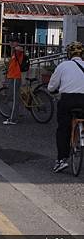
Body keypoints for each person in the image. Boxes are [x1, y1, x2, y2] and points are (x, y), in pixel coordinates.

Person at [48, 41, 84, 173]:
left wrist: (54, 92)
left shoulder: (63, 66)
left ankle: (61, 160)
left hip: (68, 100)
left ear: (69, 54)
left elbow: (51, 86)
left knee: (63, 128)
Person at [3, 36, 25, 125]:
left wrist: (17, 47)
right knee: (13, 97)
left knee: (15, 98)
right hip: (12, 76)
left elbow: (20, 49)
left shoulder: (18, 50)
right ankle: (17, 114)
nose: (10, 43)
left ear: (17, 42)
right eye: (10, 41)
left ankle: (12, 119)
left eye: (13, 41)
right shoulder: (13, 52)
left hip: (16, 77)